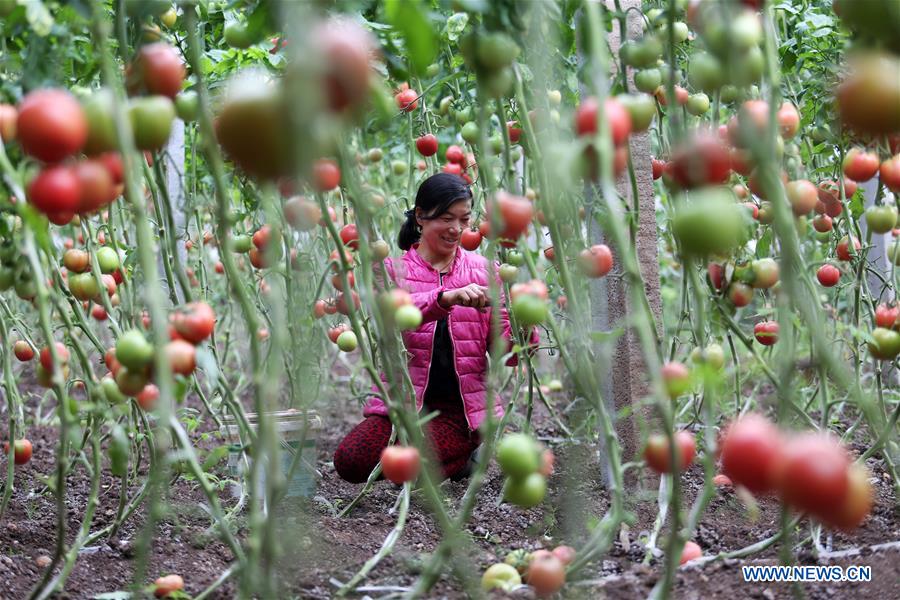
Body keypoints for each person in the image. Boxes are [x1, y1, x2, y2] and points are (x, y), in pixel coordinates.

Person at [333, 173, 537, 483]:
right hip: (402, 407)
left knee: (413, 466)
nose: (456, 228)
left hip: (460, 413)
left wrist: (524, 324)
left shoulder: (486, 272)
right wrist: (444, 298)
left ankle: (465, 453)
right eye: (446, 218)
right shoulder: (391, 272)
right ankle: (455, 461)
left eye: (464, 219)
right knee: (350, 460)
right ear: (420, 217)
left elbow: (506, 352)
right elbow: (391, 317)